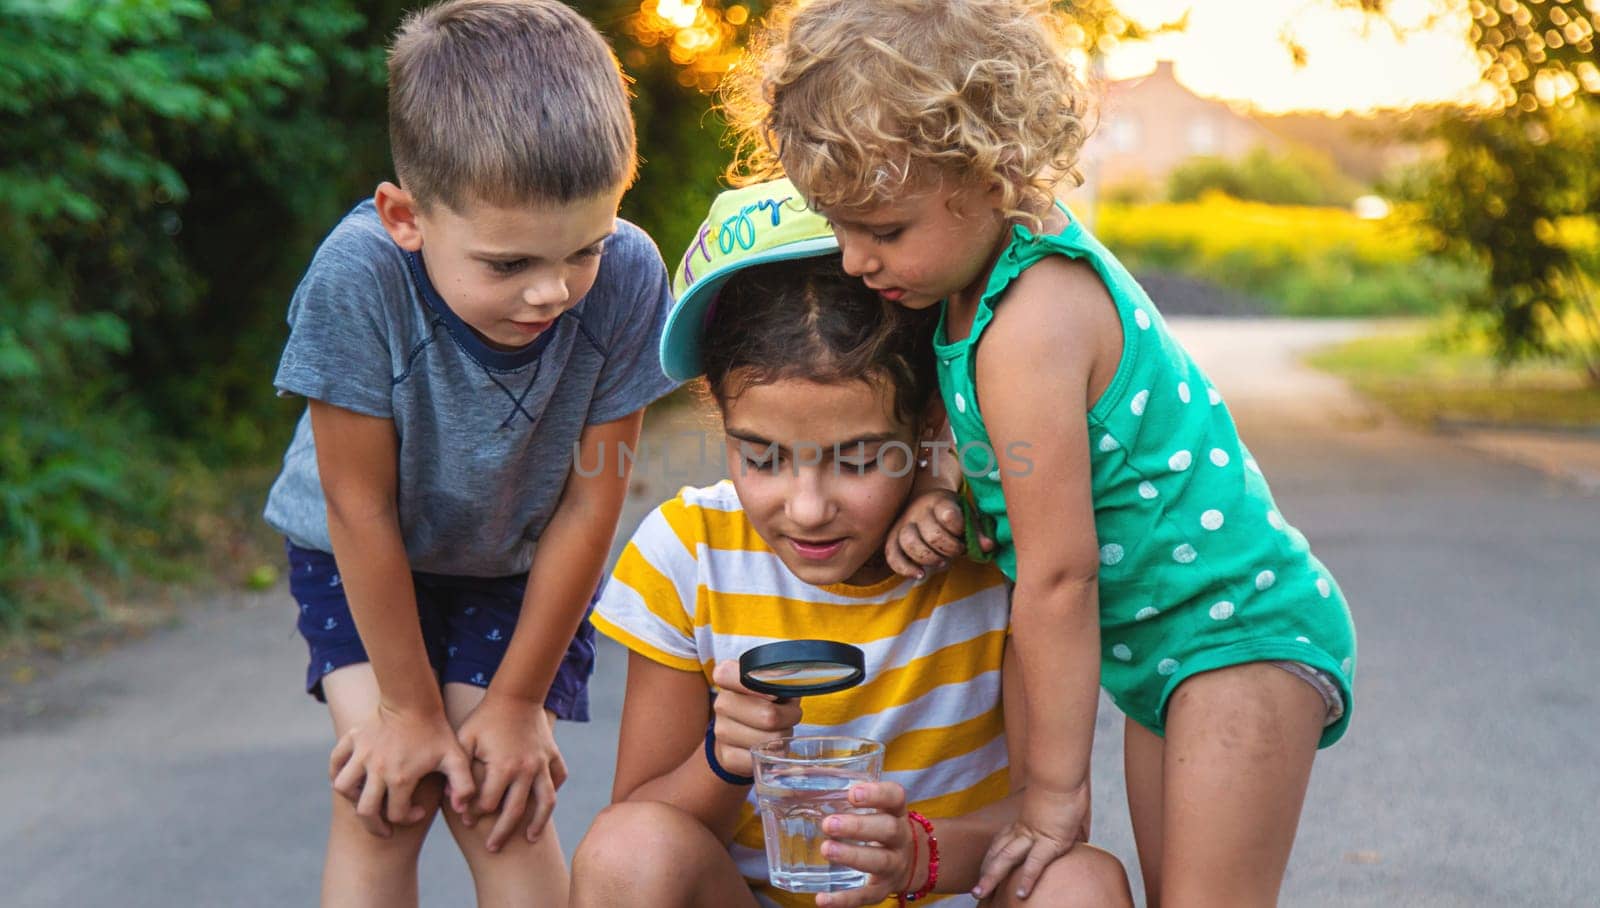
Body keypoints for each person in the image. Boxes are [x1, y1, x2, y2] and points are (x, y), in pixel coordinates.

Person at [723, 2, 1359, 905]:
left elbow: (1058, 575)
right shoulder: (964, 286)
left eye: (885, 229)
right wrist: (942, 488)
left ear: (992, 171)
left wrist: (1051, 797)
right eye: (841, 227)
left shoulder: (1031, 318)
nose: (857, 261)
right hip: (1166, 649)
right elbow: (990, 448)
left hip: (1235, 631)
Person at [569, 179, 1131, 908]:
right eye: (762, 457)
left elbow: (1041, 813)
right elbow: (644, 832)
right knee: (626, 850)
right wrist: (725, 757)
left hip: (937, 890)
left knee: (1080, 882)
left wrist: (919, 854)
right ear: (721, 413)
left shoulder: (998, 548)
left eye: (860, 459)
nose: (806, 509)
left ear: (929, 423)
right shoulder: (688, 553)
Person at [261, 1, 677, 903]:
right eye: (505, 264)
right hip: (363, 555)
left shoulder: (632, 276)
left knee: (499, 801)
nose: (551, 291)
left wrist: (519, 703)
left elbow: (592, 499)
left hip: (517, 566)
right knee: (392, 793)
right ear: (406, 217)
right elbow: (356, 507)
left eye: (584, 250)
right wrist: (408, 713)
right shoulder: (358, 276)